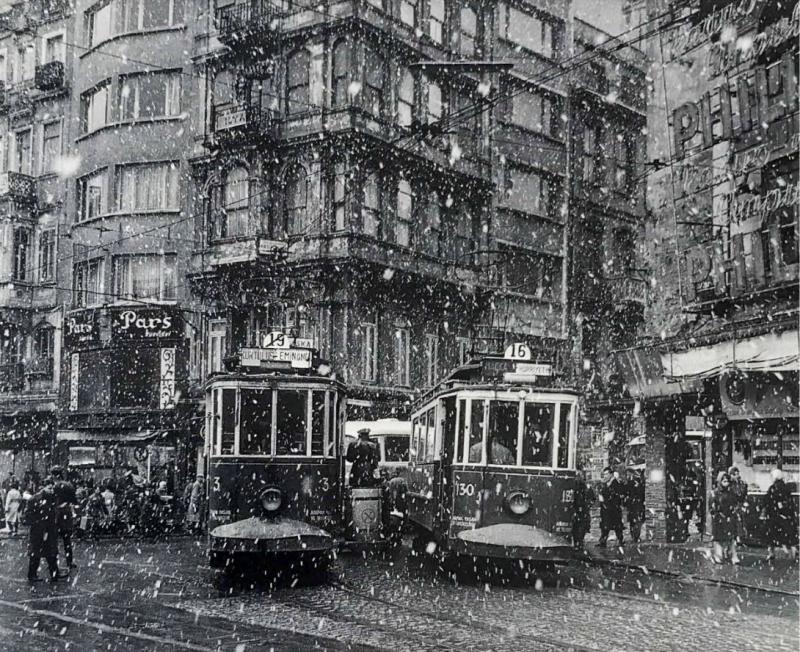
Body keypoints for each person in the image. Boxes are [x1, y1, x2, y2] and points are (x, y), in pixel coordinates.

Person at [27, 477, 63, 582]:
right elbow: (29, 515)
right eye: (50, 488)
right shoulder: (36, 499)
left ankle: (54, 573)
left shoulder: (53, 498)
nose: (52, 490)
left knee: (51, 551)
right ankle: (32, 574)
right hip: (39, 530)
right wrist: (39, 523)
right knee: (37, 551)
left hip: (49, 529)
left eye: (53, 488)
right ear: (44, 487)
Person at [763, 469, 799, 561]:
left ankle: (771, 552)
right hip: (785, 515)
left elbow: (768, 502)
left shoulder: (773, 488)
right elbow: (789, 502)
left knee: (771, 535)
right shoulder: (786, 488)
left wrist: (767, 512)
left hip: (774, 516)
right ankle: (792, 550)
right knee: (789, 534)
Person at [710, 471, 739, 564]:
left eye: (727, 480)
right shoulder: (715, 493)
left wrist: (733, 512)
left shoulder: (731, 492)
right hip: (719, 519)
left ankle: (733, 555)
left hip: (730, 518)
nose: (726, 482)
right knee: (718, 538)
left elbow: (736, 502)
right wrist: (717, 513)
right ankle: (718, 555)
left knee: (731, 538)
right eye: (723, 480)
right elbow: (712, 508)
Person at [51, 466, 77, 569]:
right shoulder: (69, 485)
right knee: (67, 540)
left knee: (53, 541)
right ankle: (69, 562)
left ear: (53, 475)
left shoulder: (53, 486)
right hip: (66, 514)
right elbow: (74, 501)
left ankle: (54, 564)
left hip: (55, 514)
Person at [596, 467, 625, 547]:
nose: (605, 476)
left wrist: (608, 500)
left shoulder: (616, 483)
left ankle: (620, 540)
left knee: (617, 526)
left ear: (611, 474)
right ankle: (603, 541)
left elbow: (618, 496)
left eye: (606, 474)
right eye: (604, 474)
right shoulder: (605, 483)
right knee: (605, 526)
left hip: (613, 509)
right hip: (606, 509)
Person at [572, 470, 595, 550]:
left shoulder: (577, 486)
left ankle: (578, 543)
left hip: (580, 509)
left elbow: (592, 498)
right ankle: (579, 543)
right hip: (581, 509)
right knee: (580, 527)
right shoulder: (584, 487)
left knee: (578, 527)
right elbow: (592, 498)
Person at [728, 465, 748, 543]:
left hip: (738, 504)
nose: (736, 476)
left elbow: (741, 495)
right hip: (734, 505)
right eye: (734, 474)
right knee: (736, 521)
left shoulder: (741, 483)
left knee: (739, 521)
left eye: (737, 474)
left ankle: (739, 536)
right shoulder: (730, 483)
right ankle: (736, 536)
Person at [625, 468, 646, 543]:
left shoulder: (640, 483)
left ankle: (635, 536)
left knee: (636, 521)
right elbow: (627, 492)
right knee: (634, 521)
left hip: (637, 505)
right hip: (633, 505)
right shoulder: (631, 483)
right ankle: (634, 536)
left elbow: (641, 493)